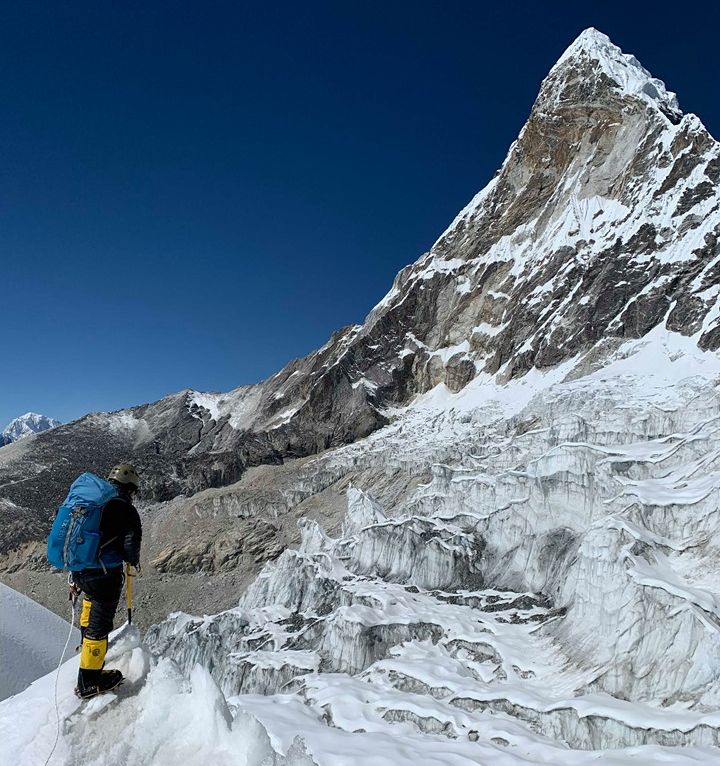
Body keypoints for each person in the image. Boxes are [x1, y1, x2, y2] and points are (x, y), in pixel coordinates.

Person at [71, 463, 142, 698]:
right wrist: (131, 559)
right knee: (99, 627)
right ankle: (89, 682)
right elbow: (130, 551)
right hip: (104, 575)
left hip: (80, 570)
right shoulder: (127, 511)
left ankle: (85, 644)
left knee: (90, 603)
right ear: (130, 488)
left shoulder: (94, 502)